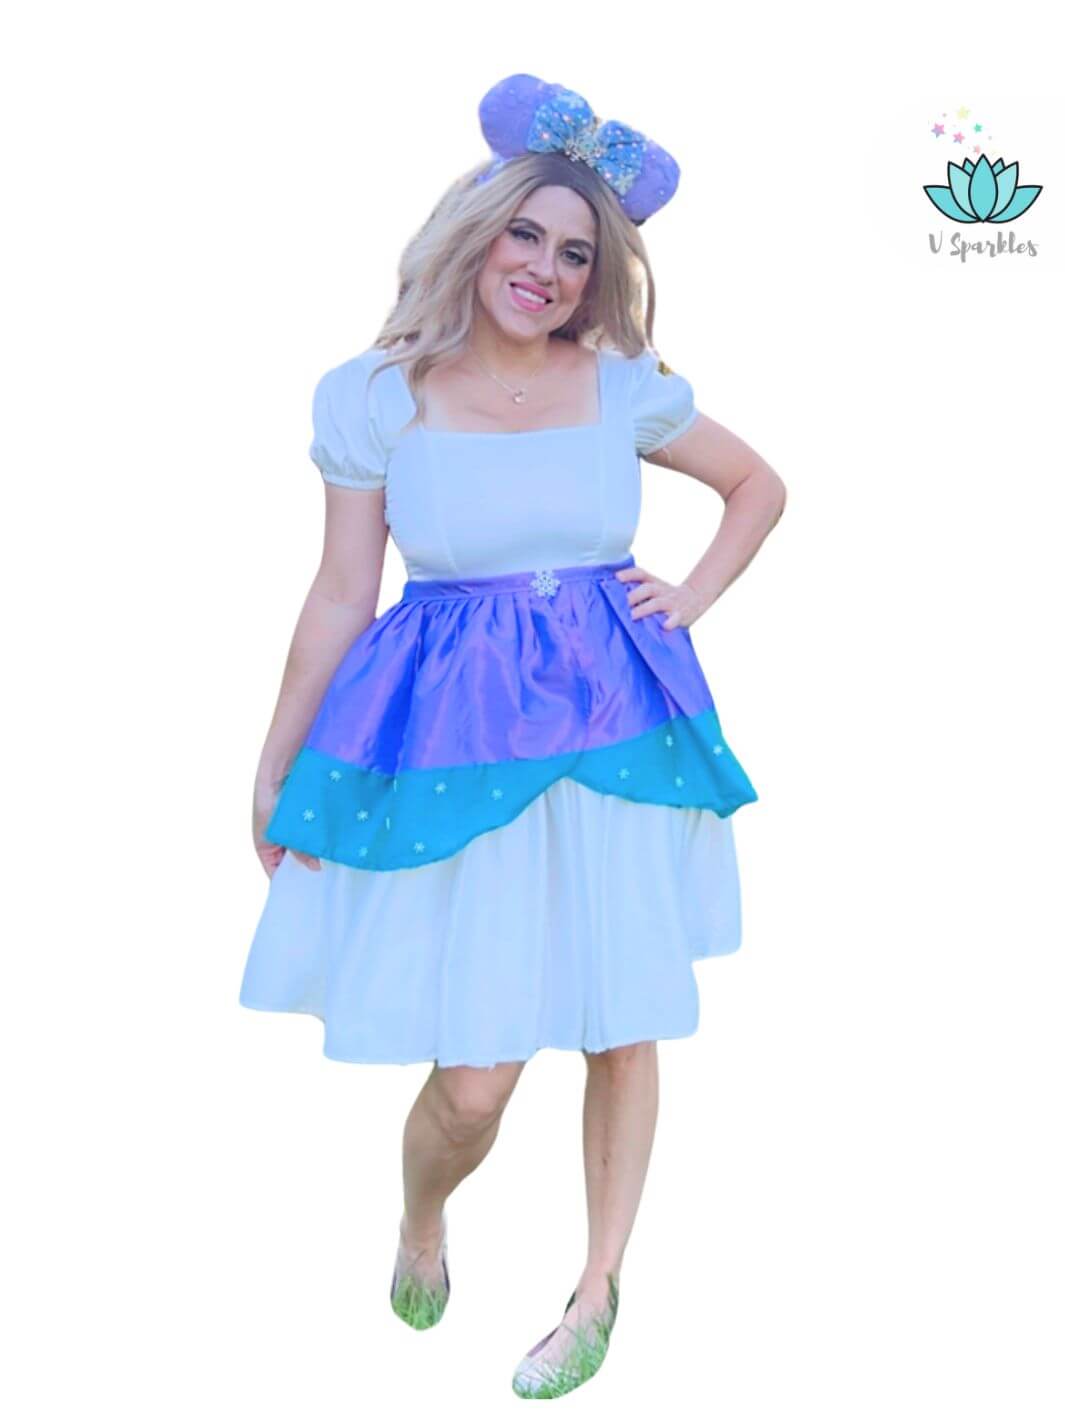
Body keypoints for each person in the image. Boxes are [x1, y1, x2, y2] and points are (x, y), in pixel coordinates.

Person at [239, 73, 786, 1400]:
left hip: (616, 723)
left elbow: (757, 486)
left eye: (576, 252)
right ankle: (424, 1215)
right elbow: (341, 592)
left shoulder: (621, 387)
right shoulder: (376, 394)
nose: (544, 269)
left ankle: (597, 1288)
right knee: (475, 1082)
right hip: (453, 735)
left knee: (623, 1016)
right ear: (475, 235)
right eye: (525, 235)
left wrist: (690, 597)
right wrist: (276, 759)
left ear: (601, 278)